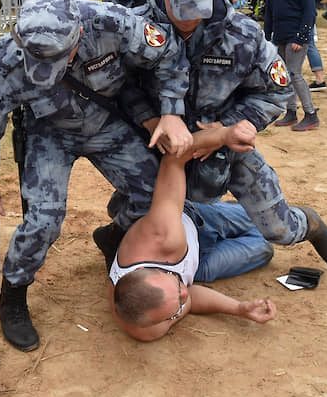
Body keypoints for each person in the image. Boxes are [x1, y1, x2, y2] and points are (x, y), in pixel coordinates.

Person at [0, 0, 192, 352]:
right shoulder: (7, 58)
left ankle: (114, 236)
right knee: (44, 220)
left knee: (154, 198)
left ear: (78, 35)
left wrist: (171, 111)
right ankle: (14, 296)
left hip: (107, 123)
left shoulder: (111, 22)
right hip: (50, 133)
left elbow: (168, 53)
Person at [97, 0, 327, 276]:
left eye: (196, 8)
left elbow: (276, 90)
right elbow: (119, 84)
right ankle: (115, 235)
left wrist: (222, 130)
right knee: (141, 206)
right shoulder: (136, 29)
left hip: (225, 147)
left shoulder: (242, 35)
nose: (188, 19)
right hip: (159, 146)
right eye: (179, 7)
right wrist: (150, 119)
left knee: (278, 230)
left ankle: (309, 223)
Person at [110, 125, 276, 341]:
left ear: (149, 270)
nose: (185, 294)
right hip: (197, 265)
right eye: (177, 304)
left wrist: (222, 135)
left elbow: (174, 158)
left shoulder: (163, 235)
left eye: (178, 287)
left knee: (269, 223)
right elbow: (190, 297)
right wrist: (240, 308)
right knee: (264, 248)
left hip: (194, 224)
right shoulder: (149, 327)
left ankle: (232, 211)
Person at [264, 0, 319, 131]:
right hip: (279, 38)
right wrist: (267, 37)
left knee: (295, 74)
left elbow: (310, 13)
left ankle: (310, 114)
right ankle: (291, 111)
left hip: (296, 39)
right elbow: (269, 13)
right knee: (283, 76)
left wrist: (301, 38)